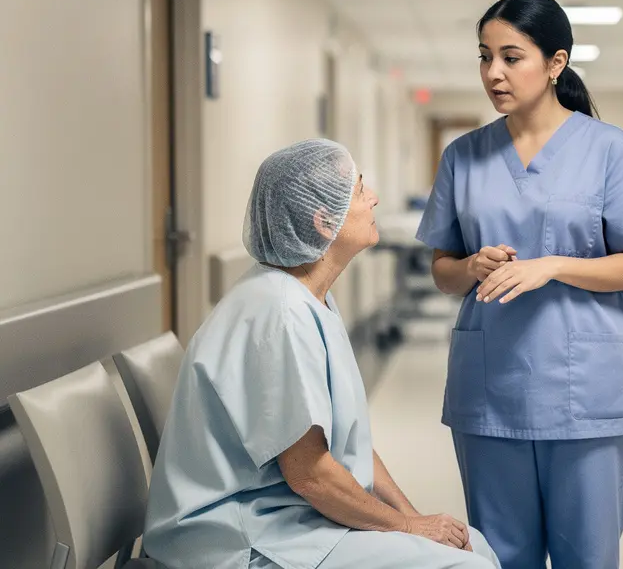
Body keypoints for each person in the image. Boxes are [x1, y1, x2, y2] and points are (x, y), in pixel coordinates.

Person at [142, 139, 501, 569]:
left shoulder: (311, 299)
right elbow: (311, 475)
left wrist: (415, 520)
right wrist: (409, 530)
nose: (374, 199)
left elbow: (351, 447)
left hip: (284, 517)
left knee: (471, 545)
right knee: (468, 566)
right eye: (360, 189)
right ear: (324, 221)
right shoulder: (280, 312)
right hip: (235, 539)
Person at [415, 0, 623, 567]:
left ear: (556, 63)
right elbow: (442, 271)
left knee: (588, 556)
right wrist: (471, 267)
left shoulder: (609, 149)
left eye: (511, 56)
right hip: (491, 390)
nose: (494, 73)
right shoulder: (463, 156)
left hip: (585, 393)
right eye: (484, 57)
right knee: (503, 557)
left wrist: (552, 264)